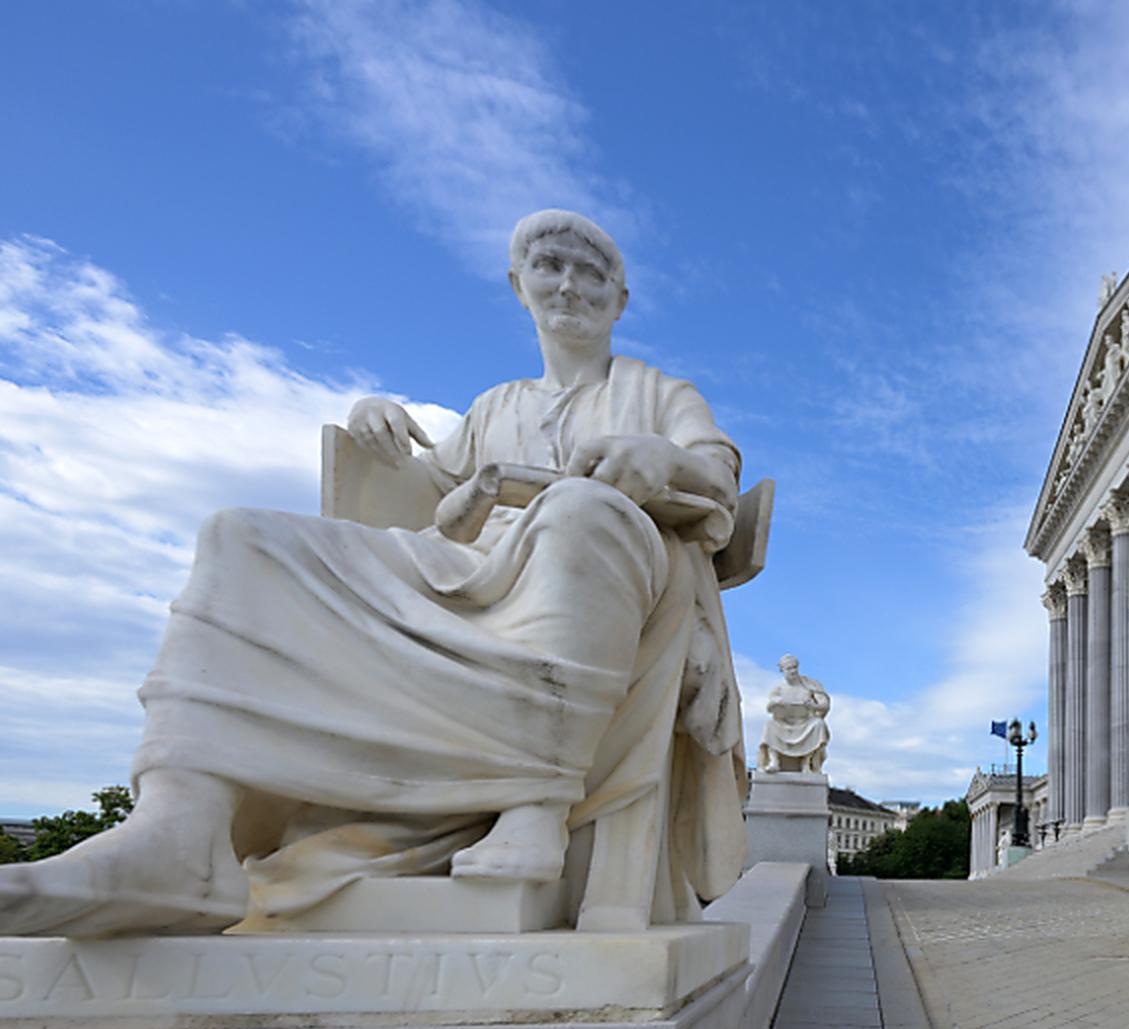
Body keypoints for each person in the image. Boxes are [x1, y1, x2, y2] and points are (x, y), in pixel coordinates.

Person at [0, 210, 747, 936]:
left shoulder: (657, 393)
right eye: (550, 266)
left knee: (579, 510)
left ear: (621, 300)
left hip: (611, 573)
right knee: (239, 537)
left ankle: (536, 803)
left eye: (593, 274)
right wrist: (374, 420)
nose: (569, 286)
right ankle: (179, 835)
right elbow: (430, 495)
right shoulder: (495, 407)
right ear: (518, 283)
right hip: (476, 568)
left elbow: (717, 472)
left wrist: (664, 458)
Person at [757, 655, 830, 773]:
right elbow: (769, 707)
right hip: (784, 722)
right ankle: (774, 761)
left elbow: (824, 704)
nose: (793, 671)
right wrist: (778, 702)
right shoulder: (778, 688)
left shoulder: (809, 684)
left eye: (795, 667)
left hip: (805, 722)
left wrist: (813, 706)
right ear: (783, 670)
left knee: (819, 725)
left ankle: (806, 762)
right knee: (769, 724)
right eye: (789, 668)